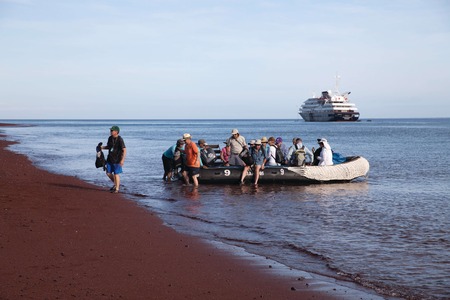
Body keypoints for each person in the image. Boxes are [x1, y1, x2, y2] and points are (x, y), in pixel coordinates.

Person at [101, 125, 126, 193]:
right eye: (111, 130)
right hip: (110, 158)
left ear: (116, 132)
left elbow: (124, 150)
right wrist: (102, 147)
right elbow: (109, 147)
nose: (111, 131)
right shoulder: (110, 138)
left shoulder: (120, 139)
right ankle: (116, 184)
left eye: (112, 131)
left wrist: (122, 160)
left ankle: (117, 189)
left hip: (117, 159)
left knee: (116, 174)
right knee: (108, 173)